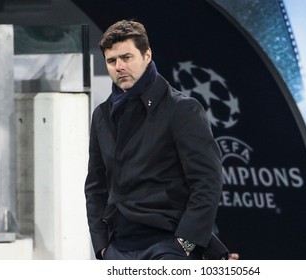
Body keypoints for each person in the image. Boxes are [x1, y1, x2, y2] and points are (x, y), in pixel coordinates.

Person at [84, 19, 223, 260]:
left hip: (168, 245)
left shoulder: (182, 110)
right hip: (118, 247)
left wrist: (185, 243)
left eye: (127, 57)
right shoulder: (102, 116)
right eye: (111, 61)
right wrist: (102, 246)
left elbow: (207, 181)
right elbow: (96, 185)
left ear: (147, 55)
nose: (119, 67)